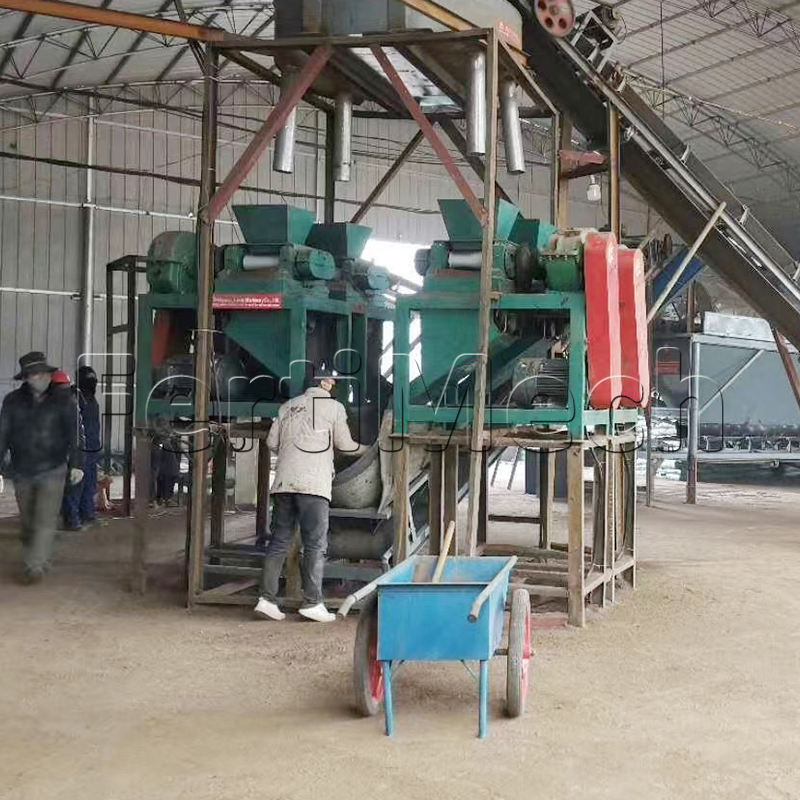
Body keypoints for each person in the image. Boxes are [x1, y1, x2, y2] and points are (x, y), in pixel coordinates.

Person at [255, 370, 367, 623]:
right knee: (315, 544)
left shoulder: (287, 406)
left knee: (279, 541)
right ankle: (312, 602)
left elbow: (271, 443)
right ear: (325, 384)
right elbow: (345, 445)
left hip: (284, 483)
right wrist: (368, 449)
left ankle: (266, 599)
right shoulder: (334, 407)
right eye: (333, 382)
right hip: (314, 485)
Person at [0, 352, 84, 583]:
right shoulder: (12, 401)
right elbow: (2, 435)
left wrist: (77, 464)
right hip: (22, 470)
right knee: (28, 522)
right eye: (34, 374)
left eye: (43, 373)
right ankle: (38, 558)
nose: (40, 378)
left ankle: (34, 566)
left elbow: (75, 434)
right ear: (26, 378)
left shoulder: (65, 401)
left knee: (45, 519)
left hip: (53, 468)